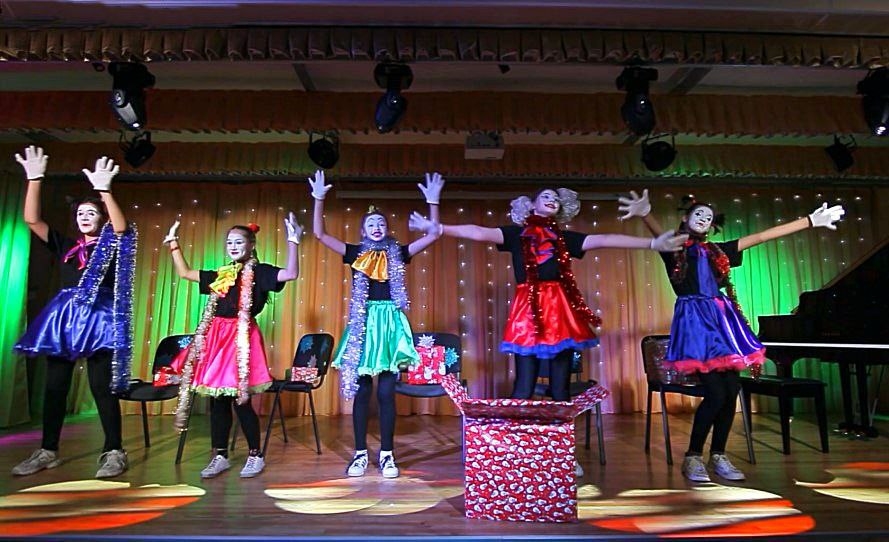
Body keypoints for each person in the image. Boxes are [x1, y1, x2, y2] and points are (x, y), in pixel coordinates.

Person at [618, 189, 844, 482]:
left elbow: (761, 236)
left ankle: (718, 455)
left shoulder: (719, 251)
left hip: (724, 324)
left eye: (709, 217)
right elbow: (659, 234)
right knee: (716, 394)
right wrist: (646, 214)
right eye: (698, 213)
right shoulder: (674, 247)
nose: (704, 218)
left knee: (730, 392)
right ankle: (693, 457)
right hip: (697, 325)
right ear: (685, 219)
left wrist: (810, 221)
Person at [411, 186, 686, 404]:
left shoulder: (565, 238)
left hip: (559, 309)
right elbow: (479, 232)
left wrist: (651, 243)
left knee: (560, 387)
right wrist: (441, 228)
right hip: (527, 308)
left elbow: (603, 239)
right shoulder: (516, 234)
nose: (552, 199)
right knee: (524, 385)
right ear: (532, 205)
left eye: (555, 198)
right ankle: (518, 446)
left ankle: (559, 448)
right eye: (546, 196)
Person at [12, 146, 137, 479]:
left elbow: (121, 228)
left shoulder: (111, 243)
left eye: (91, 213)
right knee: (55, 387)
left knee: (101, 386)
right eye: (80, 213)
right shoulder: (67, 245)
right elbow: (32, 220)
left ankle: (114, 451)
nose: (84, 217)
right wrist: (34, 179)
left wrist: (104, 190)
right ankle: (48, 450)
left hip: (99, 318)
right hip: (66, 320)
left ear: (101, 218)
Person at [310, 170, 442, 479]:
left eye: (381, 223)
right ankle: (359, 453)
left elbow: (434, 235)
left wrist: (433, 202)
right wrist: (318, 198)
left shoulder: (398, 252)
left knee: (385, 393)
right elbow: (319, 234)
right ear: (363, 231)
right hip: (364, 324)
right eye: (371, 224)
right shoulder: (355, 253)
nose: (377, 227)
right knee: (362, 391)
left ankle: (387, 455)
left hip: (391, 325)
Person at [164, 211, 302, 479]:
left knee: (241, 400)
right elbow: (185, 273)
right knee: (218, 401)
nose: (234, 247)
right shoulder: (223, 273)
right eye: (230, 242)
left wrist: (293, 241)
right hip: (216, 338)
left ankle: (255, 455)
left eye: (239, 242)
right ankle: (220, 455)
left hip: (240, 338)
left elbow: (291, 273)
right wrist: (173, 243)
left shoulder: (260, 272)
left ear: (251, 245)